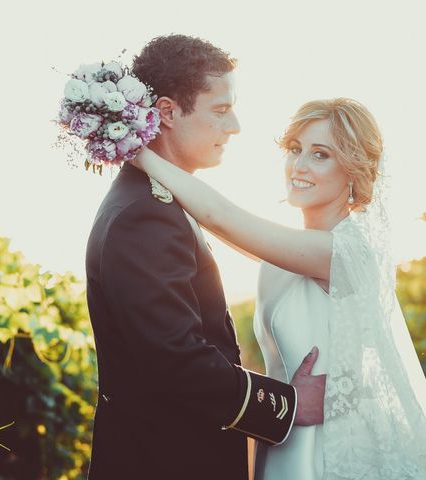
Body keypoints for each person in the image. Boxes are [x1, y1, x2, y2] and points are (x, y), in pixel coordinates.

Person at [132, 98, 426, 479]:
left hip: (328, 448)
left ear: (354, 170)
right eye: (295, 150)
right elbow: (215, 224)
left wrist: (137, 151)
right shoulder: (288, 251)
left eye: (320, 154)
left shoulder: (345, 251)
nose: (299, 166)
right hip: (286, 430)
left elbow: (220, 217)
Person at [85, 34, 326, 480]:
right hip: (164, 463)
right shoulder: (145, 216)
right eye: (220, 110)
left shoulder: (157, 203)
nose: (234, 126)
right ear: (167, 112)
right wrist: (287, 406)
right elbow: (176, 358)